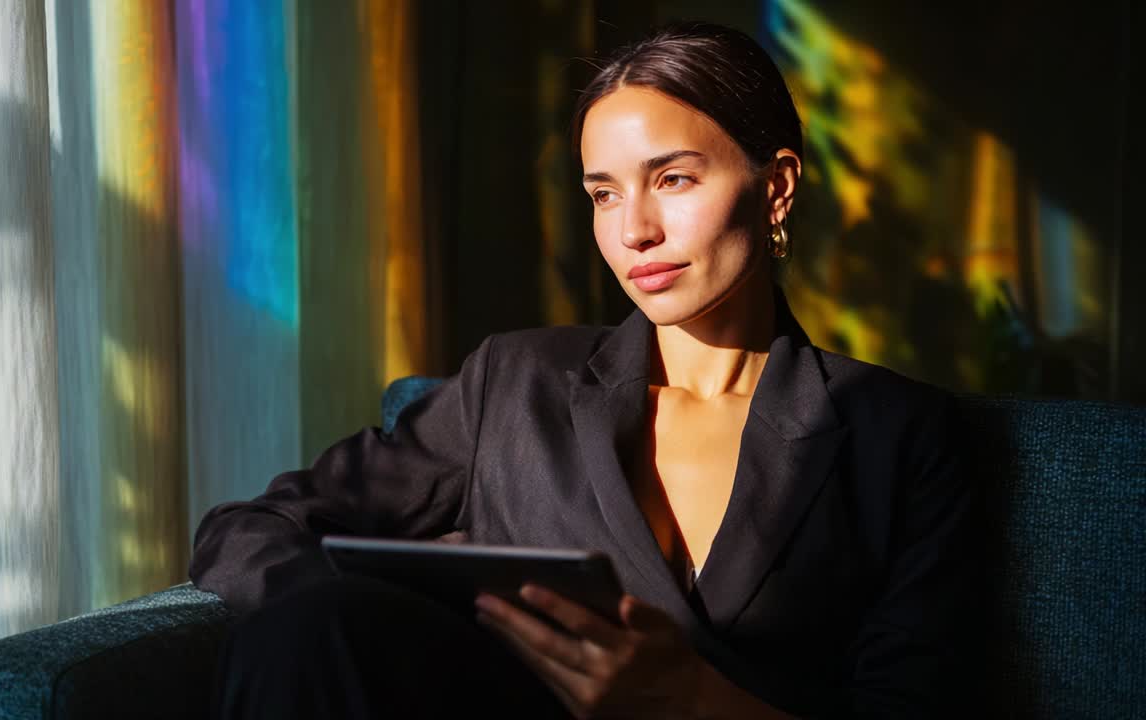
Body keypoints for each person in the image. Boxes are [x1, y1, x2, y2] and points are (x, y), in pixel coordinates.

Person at [189, 21, 975, 719]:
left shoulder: (899, 433)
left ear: (775, 188)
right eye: (603, 193)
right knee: (304, 631)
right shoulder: (519, 382)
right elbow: (250, 531)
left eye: (674, 179)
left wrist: (694, 700)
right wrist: (374, 608)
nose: (634, 229)